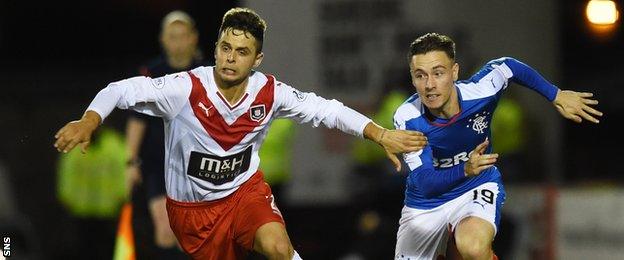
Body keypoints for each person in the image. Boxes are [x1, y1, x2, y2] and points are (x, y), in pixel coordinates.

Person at [54, 7, 427, 260]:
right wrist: (90, 121)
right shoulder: (184, 88)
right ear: (215, 50)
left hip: (244, 194)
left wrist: (378, 133)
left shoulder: (269, 92)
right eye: (226, 48)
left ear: (257, 59)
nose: (231, 58)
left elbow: (325, 109)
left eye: (242, 51)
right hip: (192, 213)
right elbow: (120, 90)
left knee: (279, 247)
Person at [393, 33, 602, 260]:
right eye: (420, 76)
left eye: (438, 73)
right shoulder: (409, 118)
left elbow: (509, 67)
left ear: (454, 72)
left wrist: (555, 94)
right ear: (412, 79)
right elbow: (425, 183)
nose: (430, 85)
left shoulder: (480, 91)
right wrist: (464, 168)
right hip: (426, 202)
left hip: (475, 185)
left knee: (472, 247)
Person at [125, 10, 202, 260]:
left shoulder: (207, 73)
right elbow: (138, 120)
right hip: (158, 163)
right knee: (164, 228)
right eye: (172, 36)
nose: (178, 41)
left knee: (191, 233)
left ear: (193, 38)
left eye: (183, 35)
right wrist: (130, 161)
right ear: (163, 40)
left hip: (198, 165)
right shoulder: (151, 73)